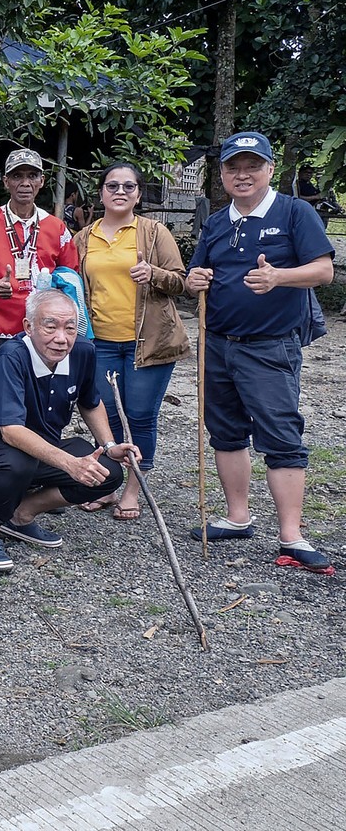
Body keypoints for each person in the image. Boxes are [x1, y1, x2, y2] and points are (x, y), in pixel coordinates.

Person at [185, 131, 336, 573]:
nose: (242, 174)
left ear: (270, 169)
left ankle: (291, 536)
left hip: (270, 345)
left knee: (281, 437)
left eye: (252, 165)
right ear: (223, 174)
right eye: (233, 167)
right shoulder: (216, 222)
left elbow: (324, 270)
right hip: (217, 343)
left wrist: (279, 278)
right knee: (226, 431)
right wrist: (195, 280)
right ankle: (237, 517)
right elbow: (199, 270)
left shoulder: (294, 212)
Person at [0, 288, 135, 574]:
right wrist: (70, 464)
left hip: (37, 444)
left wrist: (110, 445)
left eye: (70, 328)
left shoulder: (83, 352)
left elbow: (90, 402)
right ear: (29, 326)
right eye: (51, 326)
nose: (61, 338)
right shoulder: (11, 356)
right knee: (17, 461)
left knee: (107, 471)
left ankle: (21, 514)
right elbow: (11, 431)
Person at [73, 162, 189, 520]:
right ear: (102, 192)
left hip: (148, 342)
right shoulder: (83, 238)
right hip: (100, 342)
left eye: (128, 186)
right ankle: (108, 484)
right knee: (103, 417)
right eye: (112, 186)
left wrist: (154, 274)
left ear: (138, 194)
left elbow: (181, 282)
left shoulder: (154, 233)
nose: (120, 192)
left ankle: (133, 488)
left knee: (139, 416)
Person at [0, 148, 79, 375]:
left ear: (42, 181)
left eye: (32, 176)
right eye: (17, 176)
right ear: (6, 182)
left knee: (42, 395)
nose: (25, 183)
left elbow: (70, 277)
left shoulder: (57, 228)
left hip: (46, 331)